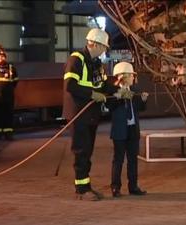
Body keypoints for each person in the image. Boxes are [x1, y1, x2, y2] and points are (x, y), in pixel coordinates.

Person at [62, 28, 110, 201]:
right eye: (103, 47)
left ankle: (86, 186)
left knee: (87, 151)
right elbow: (70, 85)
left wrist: (121, 91)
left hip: (90, 114)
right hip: (78, 113)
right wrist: (92, 94)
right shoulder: (77, 59)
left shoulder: (96, 63)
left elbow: (103, 86)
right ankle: (81, 190)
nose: (105, 50)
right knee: (81, 151)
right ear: (95, 44)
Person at [107, 61, 149, 197]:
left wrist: (143, 100)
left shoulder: (134, 91)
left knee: (133, 159)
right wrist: (120, 95)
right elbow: (110, 106)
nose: (133, 78)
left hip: (132, 129)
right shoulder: (112, 91)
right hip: (120, 131)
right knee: (118, 159)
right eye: (131, 75)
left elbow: (140, 109)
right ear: (123, 76)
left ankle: (133, 186)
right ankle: (115, 187)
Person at [0, 44, 18, 141]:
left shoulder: (11, 68)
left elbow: (15, 82)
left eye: (2, 56)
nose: (0, 59)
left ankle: (8, 133)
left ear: (5, 57)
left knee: (8, 115)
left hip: (8, 98)